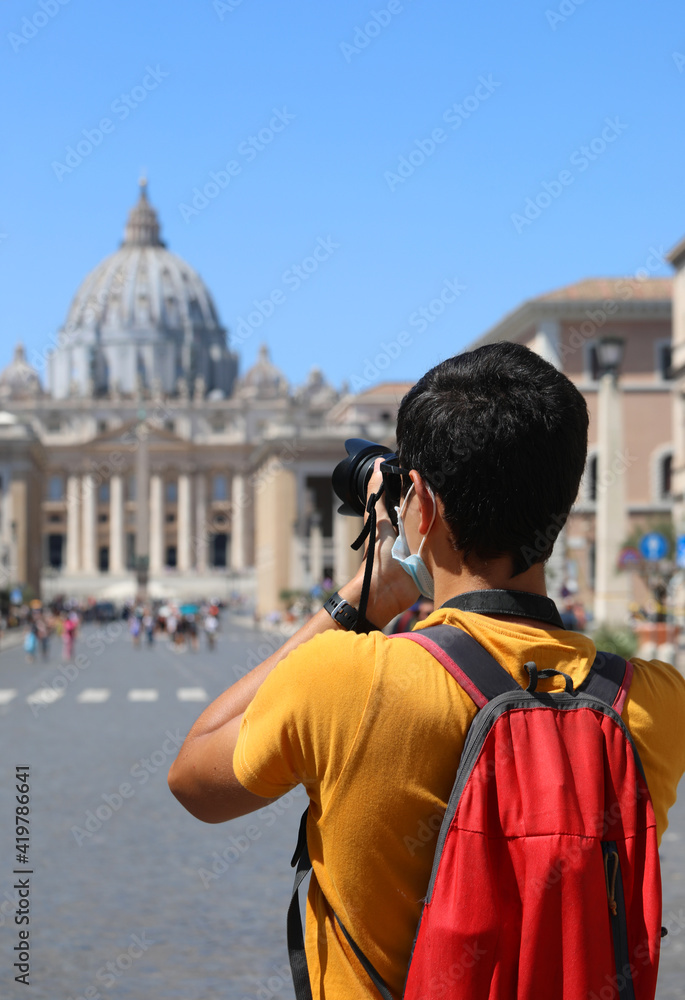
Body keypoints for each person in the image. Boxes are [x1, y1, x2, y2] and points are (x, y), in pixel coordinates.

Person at [168, 343, 685, 998]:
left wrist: (356, 603)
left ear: (419, 504)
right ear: (563, 502)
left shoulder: (341, 678)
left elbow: (193, 778)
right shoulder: (655, 703)